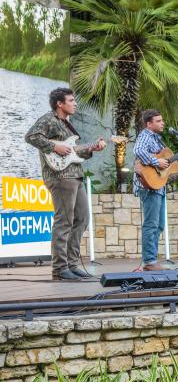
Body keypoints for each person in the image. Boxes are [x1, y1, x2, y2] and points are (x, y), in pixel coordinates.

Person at [25, 87, 108, 281]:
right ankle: (60, 268)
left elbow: (73, 153)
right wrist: (54, 146)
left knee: (82, 218)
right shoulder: (49, 119)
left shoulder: (67, 124)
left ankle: (71, 264)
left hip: (75, 175)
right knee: (64, 220)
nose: (75, 103)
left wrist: (93, 148)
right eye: (71, 100)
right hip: (60, 177)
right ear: (59, 104)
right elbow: (31, 136)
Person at [133, 109, 178, 271]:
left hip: (158, 186)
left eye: (162, 120)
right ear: (149, 124)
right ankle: (149, 262)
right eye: (158, 121)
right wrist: (156, 162)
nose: (162, 123)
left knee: (158, 225)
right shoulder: (145, 135)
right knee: (151, 224)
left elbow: (168, 161)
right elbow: (138, 150)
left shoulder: (157, 140)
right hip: (148, 186)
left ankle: (151, 260)